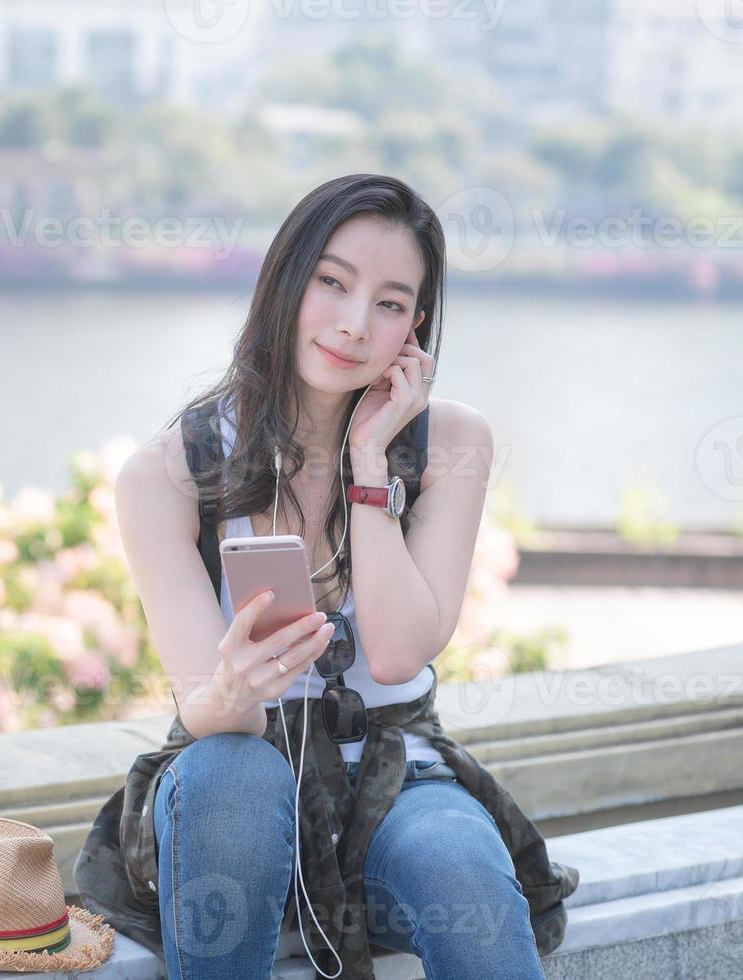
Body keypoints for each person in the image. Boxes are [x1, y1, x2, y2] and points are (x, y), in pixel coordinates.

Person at [110, 174, 545, 979]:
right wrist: (237, 687)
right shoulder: (169, 475)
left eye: (389, 303)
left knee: (462, 868)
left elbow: (394, 656)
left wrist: (369, 467)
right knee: (234, 778)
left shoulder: (448, 442)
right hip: (235, 792)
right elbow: (205, 711)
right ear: (287, 279)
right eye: (333, 283)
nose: (354, 324)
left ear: (415, 326)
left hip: (396, 780)